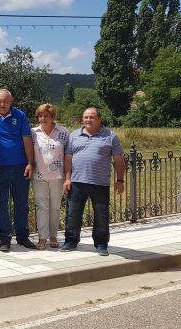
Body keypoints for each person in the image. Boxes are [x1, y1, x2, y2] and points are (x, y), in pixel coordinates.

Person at [60, 107, 125, 256]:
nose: (88, 120)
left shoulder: (110, 136)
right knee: (73, 213)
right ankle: (71, 241)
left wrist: (120, 180)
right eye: (85, 117)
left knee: (101, 215)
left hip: (100, 183)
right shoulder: (74, 135)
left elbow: (119, 160)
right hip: (77, 181)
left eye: (91, 117)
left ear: (99, 119)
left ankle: (101, 244)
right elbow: (68, 158)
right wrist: (67, 179)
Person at [0, 89, 37, 252]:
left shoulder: (19, 115)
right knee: (1, 203)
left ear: (11, 101)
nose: (2, 104)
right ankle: (4, 239)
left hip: (20, 165)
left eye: (5, 101)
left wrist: (30, 162)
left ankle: (22, 236)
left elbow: (27, 139)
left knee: (21, 203)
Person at [31, 104, 69, 250]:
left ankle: (53, 235)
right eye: (40, 116)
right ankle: (42, 237)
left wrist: (67, 177)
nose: (42, 118)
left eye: (46, 115)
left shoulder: (64, 133)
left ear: (53, 117)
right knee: (42, 207)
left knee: (55, 207)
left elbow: (68, 156)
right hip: (38, 176)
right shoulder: (33, 133)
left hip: (57, 176)